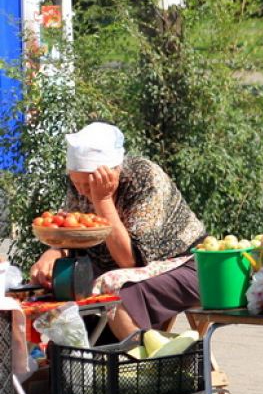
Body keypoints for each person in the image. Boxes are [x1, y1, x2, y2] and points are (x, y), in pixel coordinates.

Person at [28, 123, 207, 341]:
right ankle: (70, 362)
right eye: (76, 183)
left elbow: (129, 262)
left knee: (117, 298)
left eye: (87, 184)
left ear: (114, 171)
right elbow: (74, 229)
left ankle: (141, 364)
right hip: (112, 271)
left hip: (186, 266)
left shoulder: (143, 178)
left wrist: (102, 199)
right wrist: (54, 253)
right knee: (56, 289)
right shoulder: (78, 187)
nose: (82, 191)